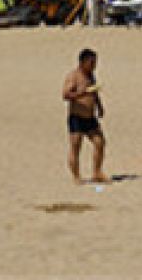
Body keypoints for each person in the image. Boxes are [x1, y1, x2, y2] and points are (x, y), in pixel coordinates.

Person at [62, 48, 108, 184]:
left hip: (90, 117)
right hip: (76, 117)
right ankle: (76, 176)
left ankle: (97, 172)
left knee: (100, 143)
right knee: (76, 147)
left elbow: (94, 92)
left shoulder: (91, 76)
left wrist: (99, 106)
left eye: (95, 63)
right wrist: (80, 94)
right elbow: (65, 95)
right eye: (92, 63)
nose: (94, 66)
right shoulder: (73, 76)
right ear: (83, 62)